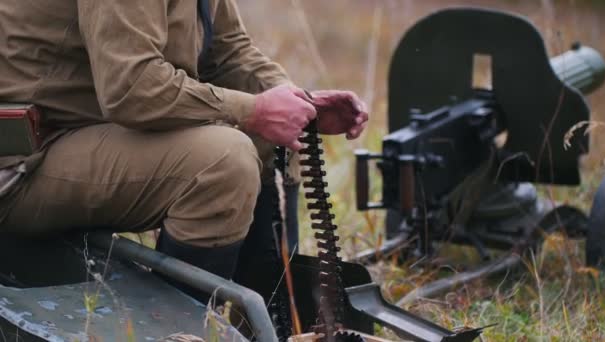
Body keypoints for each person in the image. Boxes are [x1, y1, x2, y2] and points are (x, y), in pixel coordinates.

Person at [0, 0, 368, 284]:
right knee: (222, 161)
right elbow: (131, 88)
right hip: (24, 162)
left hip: (87, 134)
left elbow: (228, 50)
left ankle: (268, 321)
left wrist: (292, 102)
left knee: (270, 137)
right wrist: (255, 109)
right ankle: (177, 330)